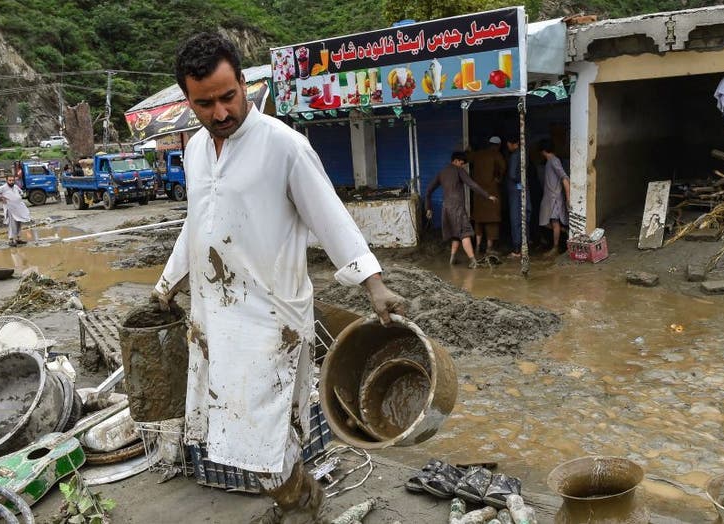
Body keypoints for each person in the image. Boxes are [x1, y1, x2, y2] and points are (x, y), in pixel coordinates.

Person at [152, 32, 404, 524]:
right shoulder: (196, 151)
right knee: (242, 428)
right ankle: (294, 501)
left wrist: (374, 285)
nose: (220, 112)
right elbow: (198, 222)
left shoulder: (285, 146)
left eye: (228, 97)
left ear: (245, 84)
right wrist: (167, 285)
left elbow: (332, 218)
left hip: (272, 321)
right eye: (205, 104)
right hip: (215, 315)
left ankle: (303, 503)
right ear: (189, 101)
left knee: (262, 432)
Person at [425, 151, 497, 269]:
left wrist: (428, 208)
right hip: (457, 208)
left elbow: (428, 190)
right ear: (456, 161)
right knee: (465, 233)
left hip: (446, 208)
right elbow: (472, 184)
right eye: (462, 163)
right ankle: (473, 261)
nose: (462, 165)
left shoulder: (442, 173)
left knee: (456, 234)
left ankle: (452, 259)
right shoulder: (459, 170)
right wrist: (487, 195)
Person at [467, 136, 506, 254]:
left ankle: (478, 247)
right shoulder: (497, 155)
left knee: (479, 220)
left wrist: (467, 150)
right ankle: (489, 248)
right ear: (498, 146)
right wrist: (498, 179)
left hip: (478, 193)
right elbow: (503, 168)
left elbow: (467, 158)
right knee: (492, 221)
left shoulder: (478, 154)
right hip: (491, 192)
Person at [537, 141, 571, 257]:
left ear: (543, 151)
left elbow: (565, 178)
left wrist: (568, 197)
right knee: (545, 221)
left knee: (554, 222)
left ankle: (555, 247)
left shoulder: (553, 161)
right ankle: (564, 231)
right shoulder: (550, 161)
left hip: (555, 198)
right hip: (550, 197)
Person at [504, 136, 528, 258]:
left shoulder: (514, 156)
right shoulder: (524, 154)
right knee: (524, 217)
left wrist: (519, 182)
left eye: (508, 143)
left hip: (516, 190)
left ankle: (516, 250)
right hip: (522, 189)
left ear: (513, 143)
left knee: (516, 219)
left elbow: (512, 175)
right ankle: (524, 246)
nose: (507, 145)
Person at [0, 174, 31, 247]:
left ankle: (18, 238)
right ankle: (11, 240)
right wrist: (2, 197)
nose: (11, 182)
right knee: (12, 224)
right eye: (10, 180)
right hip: (10, 208)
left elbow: (21, 192)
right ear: (6, 180)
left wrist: (20, 196)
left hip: (18, 208)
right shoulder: (3, 188)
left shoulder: (15, 187)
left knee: (19, 223)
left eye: (13, 180)